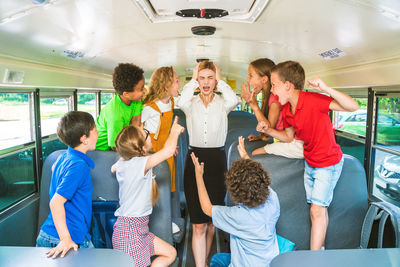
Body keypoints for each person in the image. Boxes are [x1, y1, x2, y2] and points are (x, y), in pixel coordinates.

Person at [257, 61, 358, 250]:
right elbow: (288, 137)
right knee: (318, 211)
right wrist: (268, 130)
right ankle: (320, 250)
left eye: (274, 85)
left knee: (316, 210)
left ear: (288, 85)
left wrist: (326, 88)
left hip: (328, 162)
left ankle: (313, 259)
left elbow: (352, 106)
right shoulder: (287, 110)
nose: (272, 91)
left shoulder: (314, 100)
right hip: (311, 162)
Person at [176, 61, 240, 267]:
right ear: (197, 80)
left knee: (212, 221)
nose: (205, 82)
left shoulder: (223, 103)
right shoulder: (190, 104)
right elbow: (181, 99)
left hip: (217, 162)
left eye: (209, 78)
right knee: (198, 225)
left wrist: (220, 80)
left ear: (215, 80)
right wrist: (193, 80)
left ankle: (203, 258)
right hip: (195, 159)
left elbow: (234, 98)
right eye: (201, 78)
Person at [190, 136, 280, 267]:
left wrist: (198, 175)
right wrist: (245, 155)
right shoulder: (273, 200)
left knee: (216, 260)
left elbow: (206, 208)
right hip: (270, 263)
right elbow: (258, 178)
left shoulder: (238, 216)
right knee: (220, 258)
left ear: (235, 192)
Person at [111, 117, 184, 267]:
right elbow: (169, 151)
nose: (148, 133)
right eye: (146, 133)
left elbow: (114, 168)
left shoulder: (126, 162)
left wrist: (153, 155)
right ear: (142, 147)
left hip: (139, 230)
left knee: (170, 253)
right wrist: (174, 131)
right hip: (130, 234)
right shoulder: (138, 164)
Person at [36, 111, 98, 258]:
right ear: (84, 139)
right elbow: (56, 203)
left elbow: (54, 170)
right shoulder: (78, 166)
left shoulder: (63, 157)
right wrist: (65, 239)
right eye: (95, 131)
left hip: (49, 233)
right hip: (65, 239)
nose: (98, 133)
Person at [241, 58, 304, 159]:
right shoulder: (268, 97)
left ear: (264, 79)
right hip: (281, 139)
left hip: (289, 142)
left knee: (253, 154)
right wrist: (259, 137)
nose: (248, 80)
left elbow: (268, 127)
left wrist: (254, 106)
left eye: (251, 75)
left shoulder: (275, 99)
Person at [142, 66, 181, 192]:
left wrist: (171, 145)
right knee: (154, 188)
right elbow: (139, 133)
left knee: (167, 187)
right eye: (176, 81)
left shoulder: (171, 102)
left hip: (167, 149)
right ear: (166, 84)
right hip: (152, 152)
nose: (179, 83)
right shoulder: (149, 107)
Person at [96, 63, 146, 151]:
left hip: (119, 142)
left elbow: (135, 124)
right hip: (101, 149)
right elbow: (115, 147)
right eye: (141, 89)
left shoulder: (137, 100)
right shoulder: (115, 115)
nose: (145, 90)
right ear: (126, 94)